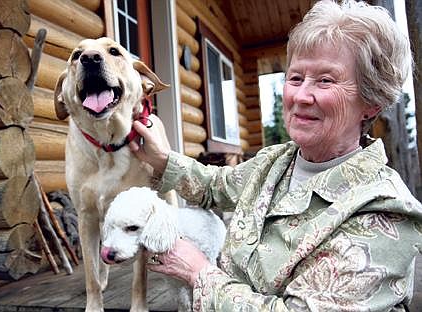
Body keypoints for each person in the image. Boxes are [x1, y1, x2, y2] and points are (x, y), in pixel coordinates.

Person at [129, 0, 422, 310]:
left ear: (371, 102)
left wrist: (198, 272)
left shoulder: (383, 212)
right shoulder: (276, 162)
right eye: (295, 78)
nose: (300, 96)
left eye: (325, 80)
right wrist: (162, 158)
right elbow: (217, 185)